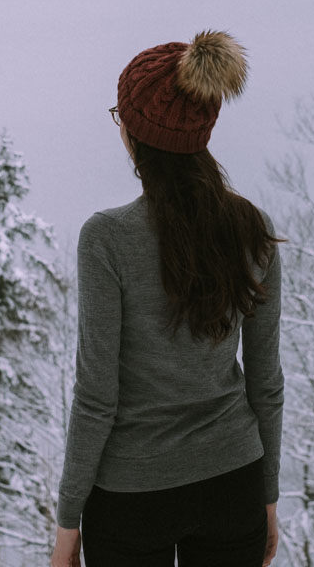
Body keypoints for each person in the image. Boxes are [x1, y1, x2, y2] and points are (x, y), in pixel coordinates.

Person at [50, 30, 284, 567]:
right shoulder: (252, 229)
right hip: (234, 484)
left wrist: (68, 524)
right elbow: (265, 382)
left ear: (135, 133)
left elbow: (95, 397)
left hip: (132, 499)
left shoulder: (106, 239)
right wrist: (266, 496)